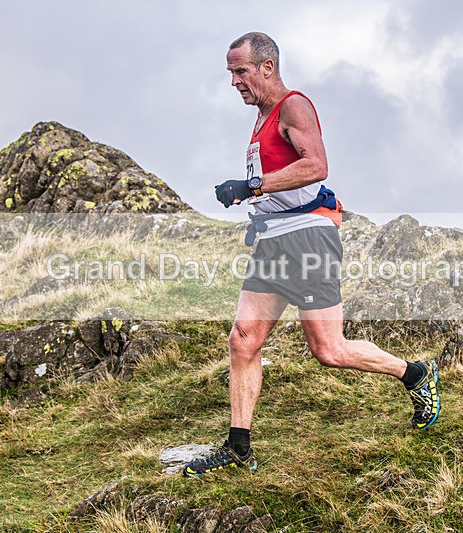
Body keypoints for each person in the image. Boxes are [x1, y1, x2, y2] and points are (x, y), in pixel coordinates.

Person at [182, 32, 440, 477]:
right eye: (230, 73)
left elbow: (317, 165)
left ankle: (415, 374)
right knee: (243, 340)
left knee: (329, 349)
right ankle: (238, 446)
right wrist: (254, 198)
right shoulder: (262, 117)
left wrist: (252, 187)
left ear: (267, 67)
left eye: (240, 71)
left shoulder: (293, 106)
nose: (234, 82)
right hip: (273, 241)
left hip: (308, 239)